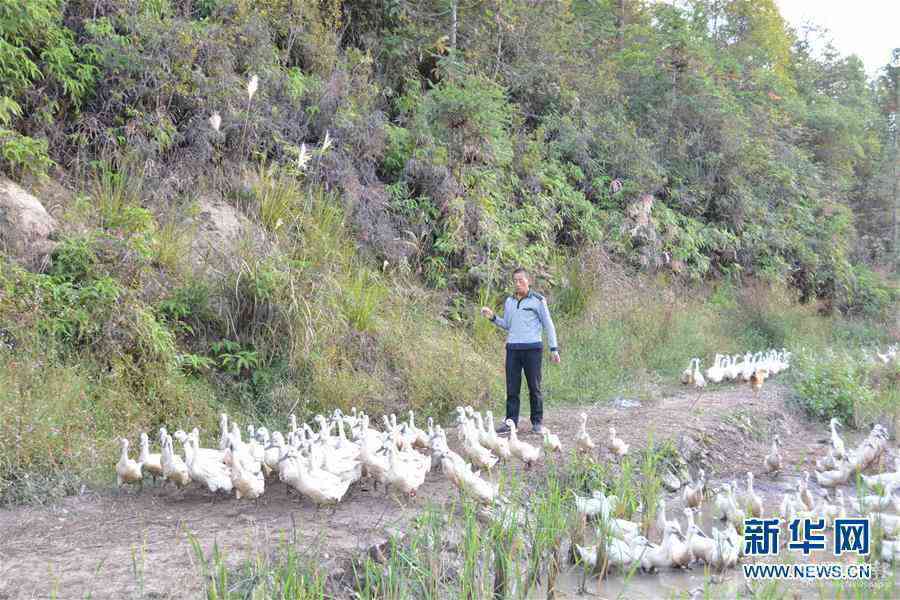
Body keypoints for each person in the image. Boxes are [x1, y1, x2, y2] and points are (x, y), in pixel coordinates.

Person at [481, 267, 560, 435]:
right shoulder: (509, 301)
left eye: (521, 280)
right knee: (512, 388)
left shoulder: (538, 300)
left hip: (532, 349)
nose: (518, 284)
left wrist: (554, 349)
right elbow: (508, 325)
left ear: (528, 281)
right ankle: (511, 423)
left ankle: (537, 423)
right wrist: (493, 317)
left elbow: (548, 325)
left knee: (534, 387)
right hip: (513, 349)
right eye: (515, 281)